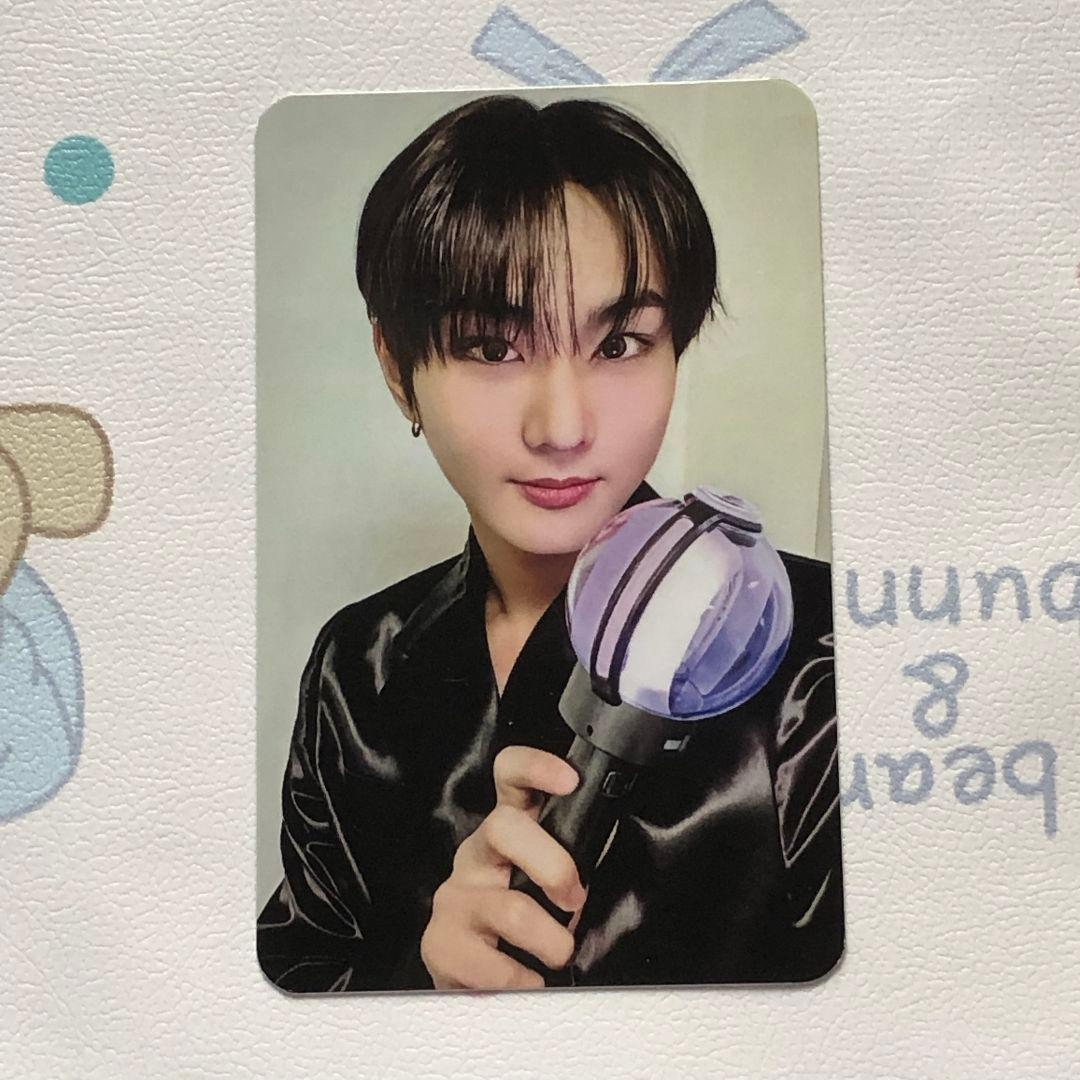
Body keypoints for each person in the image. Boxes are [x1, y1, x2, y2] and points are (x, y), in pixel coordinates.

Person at [257, 93, 843, 992]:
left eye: (621, 343)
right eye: (493, 348)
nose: (563, 427)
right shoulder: (357, 668)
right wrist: (420, 988)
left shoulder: (822, 653)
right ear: (396, 370)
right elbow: (291, 982)